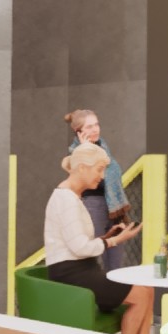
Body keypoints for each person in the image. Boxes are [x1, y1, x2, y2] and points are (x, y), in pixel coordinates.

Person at [46, 142, 150, 334]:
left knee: (148, 290)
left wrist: (107, 236)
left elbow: (76, 242)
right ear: (82, 168)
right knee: (141, 295)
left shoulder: (71, 197)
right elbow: (80, 248)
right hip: (72, 274)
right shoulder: (67, 200)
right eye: (99, 169)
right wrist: (114, 241)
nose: (102, 177)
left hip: (83, 269)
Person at [65, 109, 132, 271]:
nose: (95, 129)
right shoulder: (75, 154)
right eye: (89, 127)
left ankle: (113, 287)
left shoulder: (103, 147)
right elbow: (87, 180)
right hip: (93, 205)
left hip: (114, 208)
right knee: (92, 257)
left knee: (115, 262)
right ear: (78, 131)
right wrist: (84, 149)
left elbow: (111, 174)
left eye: (96, 125)